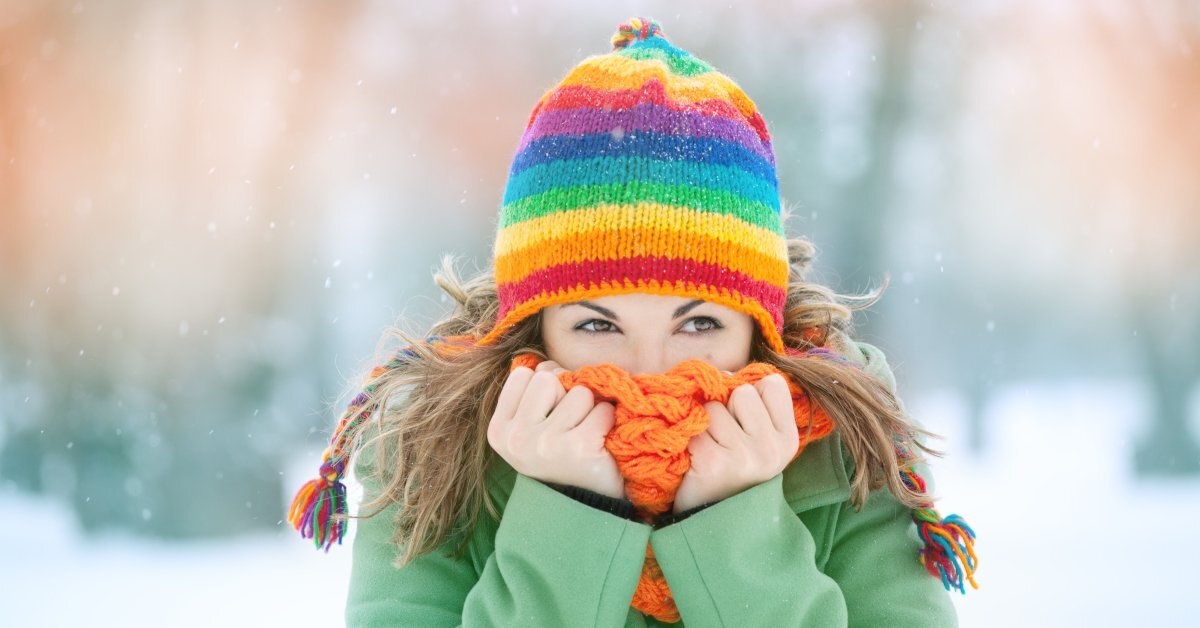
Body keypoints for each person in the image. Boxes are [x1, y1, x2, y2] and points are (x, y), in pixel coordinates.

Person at [288, 17, 976, 627]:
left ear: (758, 328)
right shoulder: (430, 455)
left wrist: (732, 527)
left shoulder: (847, 444)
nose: (649, 370)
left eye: (700, 324)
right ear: (534, 324)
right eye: (596, 327)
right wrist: (569, 511)